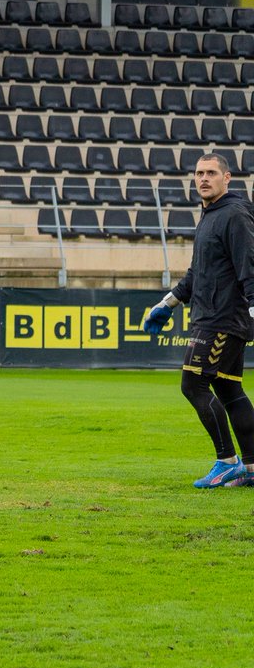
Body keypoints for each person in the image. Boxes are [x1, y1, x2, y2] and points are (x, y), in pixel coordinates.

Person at [143, 153, 254, 488]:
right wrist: (168, 302)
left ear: (227, 178)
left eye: (211, 173)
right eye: (199, 173)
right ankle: (251, 468)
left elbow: (249, 262)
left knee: (192, 384)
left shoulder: (234, 214)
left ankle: (226, 461)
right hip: (211, 315)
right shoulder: (209, 215)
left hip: (222, 319)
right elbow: (197, 273)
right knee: (229, 389)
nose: (204, 179)